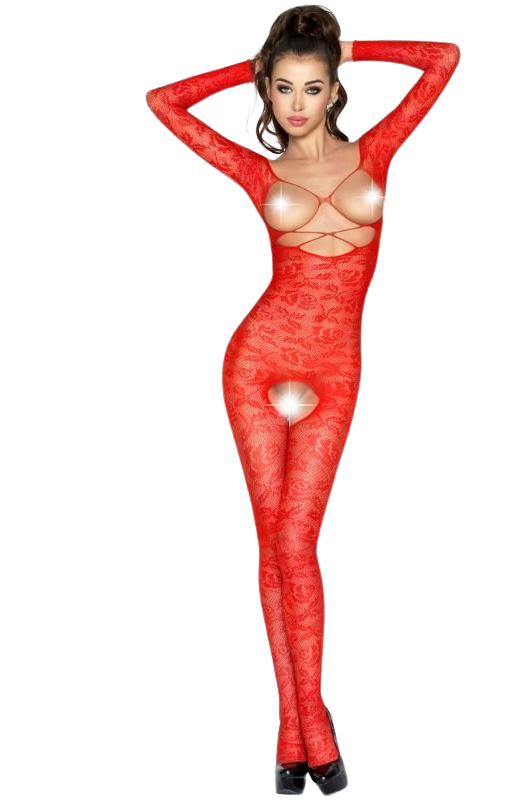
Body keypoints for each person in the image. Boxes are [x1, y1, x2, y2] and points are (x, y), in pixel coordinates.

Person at [145, 5, 460, 794]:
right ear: (268, 89)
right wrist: (258, 62)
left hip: (334, 370)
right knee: (274, 546)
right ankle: (302, 727)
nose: (295, 103)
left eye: (312, 87)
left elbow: (444, 58)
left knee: (297, 541)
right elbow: (163, 101)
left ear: (334, 89)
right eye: (281, 87)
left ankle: (301, 725)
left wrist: (347, 46)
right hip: (257, 364)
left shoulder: (377, 150)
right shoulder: (258, 172)